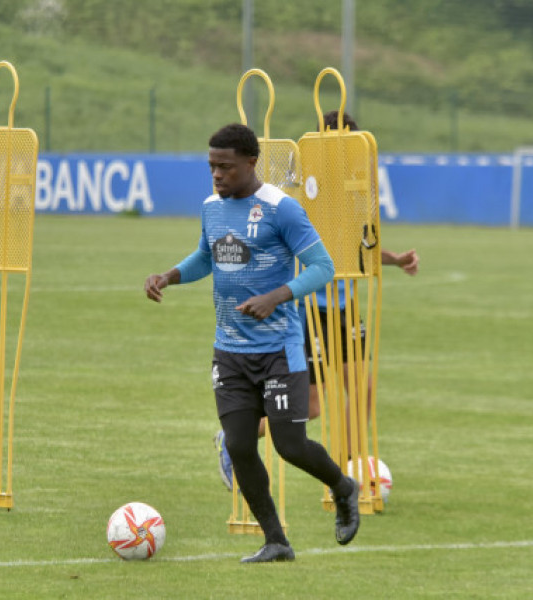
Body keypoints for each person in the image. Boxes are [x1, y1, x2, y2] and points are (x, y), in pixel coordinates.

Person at [145, 123, 360, 563]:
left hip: (279, 348)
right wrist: (169, 275)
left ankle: (343, 487)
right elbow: (207, 256)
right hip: (230, 350)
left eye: (225, 167)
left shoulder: (283, 210)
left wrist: (276, 297)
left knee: (290, 446)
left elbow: (323, 266)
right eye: (211, 167)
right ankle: (276, 541)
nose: (217, 176)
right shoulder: (211, 208)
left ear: (250, 162)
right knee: (239, 445)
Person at [214, 111, 419, 491]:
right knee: (310, 407)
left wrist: (394, 259)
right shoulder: (300, 189)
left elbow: (354, 247)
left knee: (363, 391)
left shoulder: (353, 188)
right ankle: (232, 440)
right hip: (309, 308)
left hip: (345, 306)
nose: (348, 155)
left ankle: (348, 476)